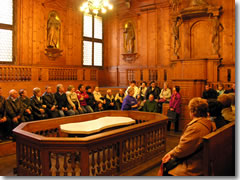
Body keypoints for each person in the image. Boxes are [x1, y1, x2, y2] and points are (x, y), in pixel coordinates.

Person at [161, 97, 215, 176]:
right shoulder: (208, 122)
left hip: (194, 165)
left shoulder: (196, 127)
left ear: (193, 111)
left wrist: (171, 154)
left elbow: (182, 150)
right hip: (202, 159)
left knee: (166, 167)